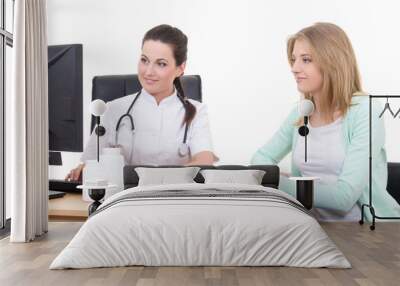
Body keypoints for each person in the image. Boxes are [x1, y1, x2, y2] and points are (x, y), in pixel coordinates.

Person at [251, 22, 400, 221]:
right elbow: (261, 157)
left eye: (306, 60)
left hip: (361, 232)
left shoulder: (366, 111)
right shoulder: (301, 111)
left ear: (333, 62)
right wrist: (278, 178)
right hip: (311, 226)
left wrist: (277, 182)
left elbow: (343, 197)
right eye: (294, 60)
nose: (295, 68)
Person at [67, 24, 217, 181]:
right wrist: (83, 170)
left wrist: (154, 179)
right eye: (145, 60)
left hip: (175, 199)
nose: (148, 71)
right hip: (124, 199)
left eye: (161, 64)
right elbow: (91, 161)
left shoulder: (196, 111)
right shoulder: (113, 109)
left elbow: (205, 161)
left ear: (180, 68)